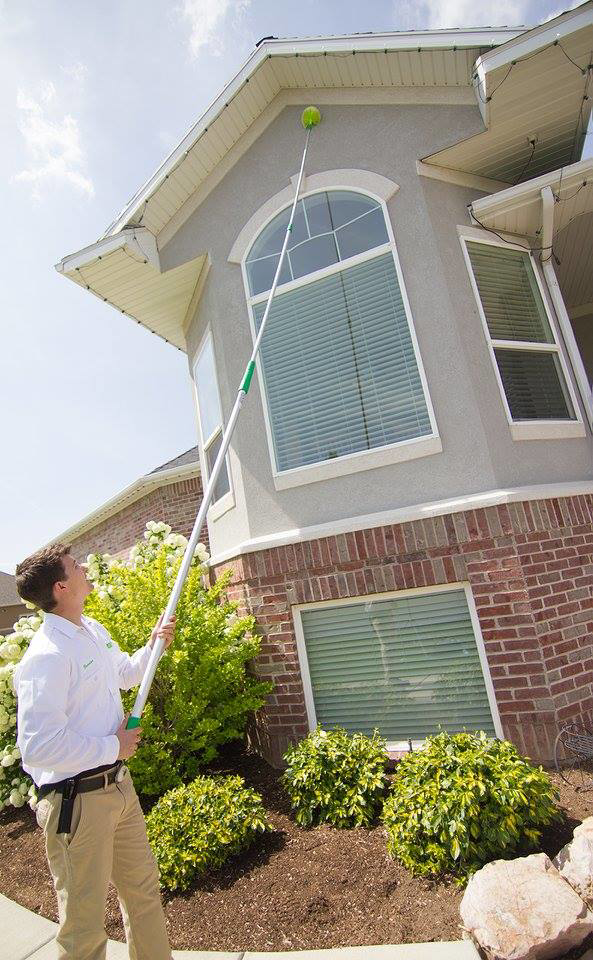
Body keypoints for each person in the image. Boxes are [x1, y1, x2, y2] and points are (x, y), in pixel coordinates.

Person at [13, 542, 175, 960]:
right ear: (62, 586)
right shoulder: (46, 656)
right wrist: (112, 746)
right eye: (75, 565)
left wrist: (154, 645)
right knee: (84, 927)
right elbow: (38, 747)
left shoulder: (92, 631)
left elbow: (123, 674)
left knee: (143, 895)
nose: (85, 567)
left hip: (120, 789)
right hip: (77, 801)